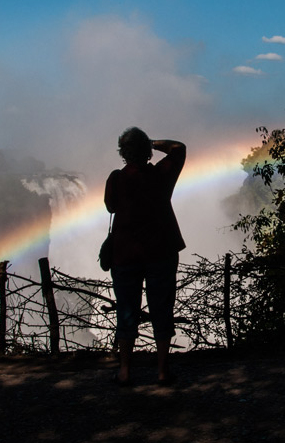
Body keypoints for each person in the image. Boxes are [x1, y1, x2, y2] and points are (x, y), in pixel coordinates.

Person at [104, 127, 186, 386]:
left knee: (127, 311)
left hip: (125, 253)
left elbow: (110, 206)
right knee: (162, 309)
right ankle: (162, 371)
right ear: (148, 151)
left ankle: (125, 371)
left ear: (123, 153)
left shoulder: (116, 179)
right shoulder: (162, 174)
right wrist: (150, 143)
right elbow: (178, 148)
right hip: (161, 251)